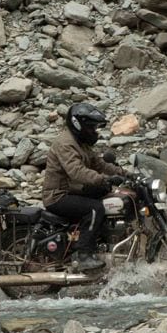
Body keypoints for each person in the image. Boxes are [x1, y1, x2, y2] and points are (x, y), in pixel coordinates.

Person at [42, 101, 128, 271]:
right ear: (78, 125)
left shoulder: (81, 143)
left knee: (109, 197)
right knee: (95, 208)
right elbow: (76, 171)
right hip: (58, 196)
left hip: (73, 191)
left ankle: (101, 243)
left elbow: (100, 164)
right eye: (91, 128)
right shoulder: (65, 143)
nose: (94, 132)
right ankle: (84, 255)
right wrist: (103, 179)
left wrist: (125, 173)